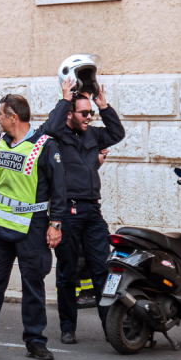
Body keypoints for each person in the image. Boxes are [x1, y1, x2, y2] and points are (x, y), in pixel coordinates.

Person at [0, 94, 65, 360]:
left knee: (33, 285)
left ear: (13, 117)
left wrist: (55, 224)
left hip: (32, 228)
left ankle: (35, 341)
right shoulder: (1, 142)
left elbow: (59, 189)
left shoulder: (45, 146)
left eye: (0, 113)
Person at [44, 79, 125, 344]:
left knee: (102, 270)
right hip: (67, 213)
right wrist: (64, 98)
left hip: (91, 212)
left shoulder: (94, 134)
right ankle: (68, 327)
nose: (90, 117)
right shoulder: (57, 137)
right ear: (70, 113)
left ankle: (109, 327)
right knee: (67, 273)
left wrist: (104, 105)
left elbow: (117, 134)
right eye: (85, 112)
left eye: (91, 112)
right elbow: (49, 127)